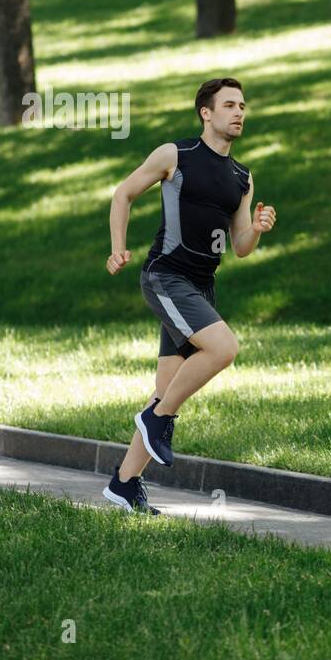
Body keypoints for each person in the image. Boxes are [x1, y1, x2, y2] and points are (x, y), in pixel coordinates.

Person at [100, 77, 276, 513]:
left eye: (243, 106)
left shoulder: (241, 177)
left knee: (166, 388)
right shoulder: (175, 155)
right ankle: (157, 421)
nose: (239, 113)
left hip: (202, 286)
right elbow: (123, 193)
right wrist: (117, 246)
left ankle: (124, 483)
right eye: (230, 105)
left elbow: (238, 247)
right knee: (224, 347)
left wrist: (255, 229)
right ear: (207, 113)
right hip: (167, 276)